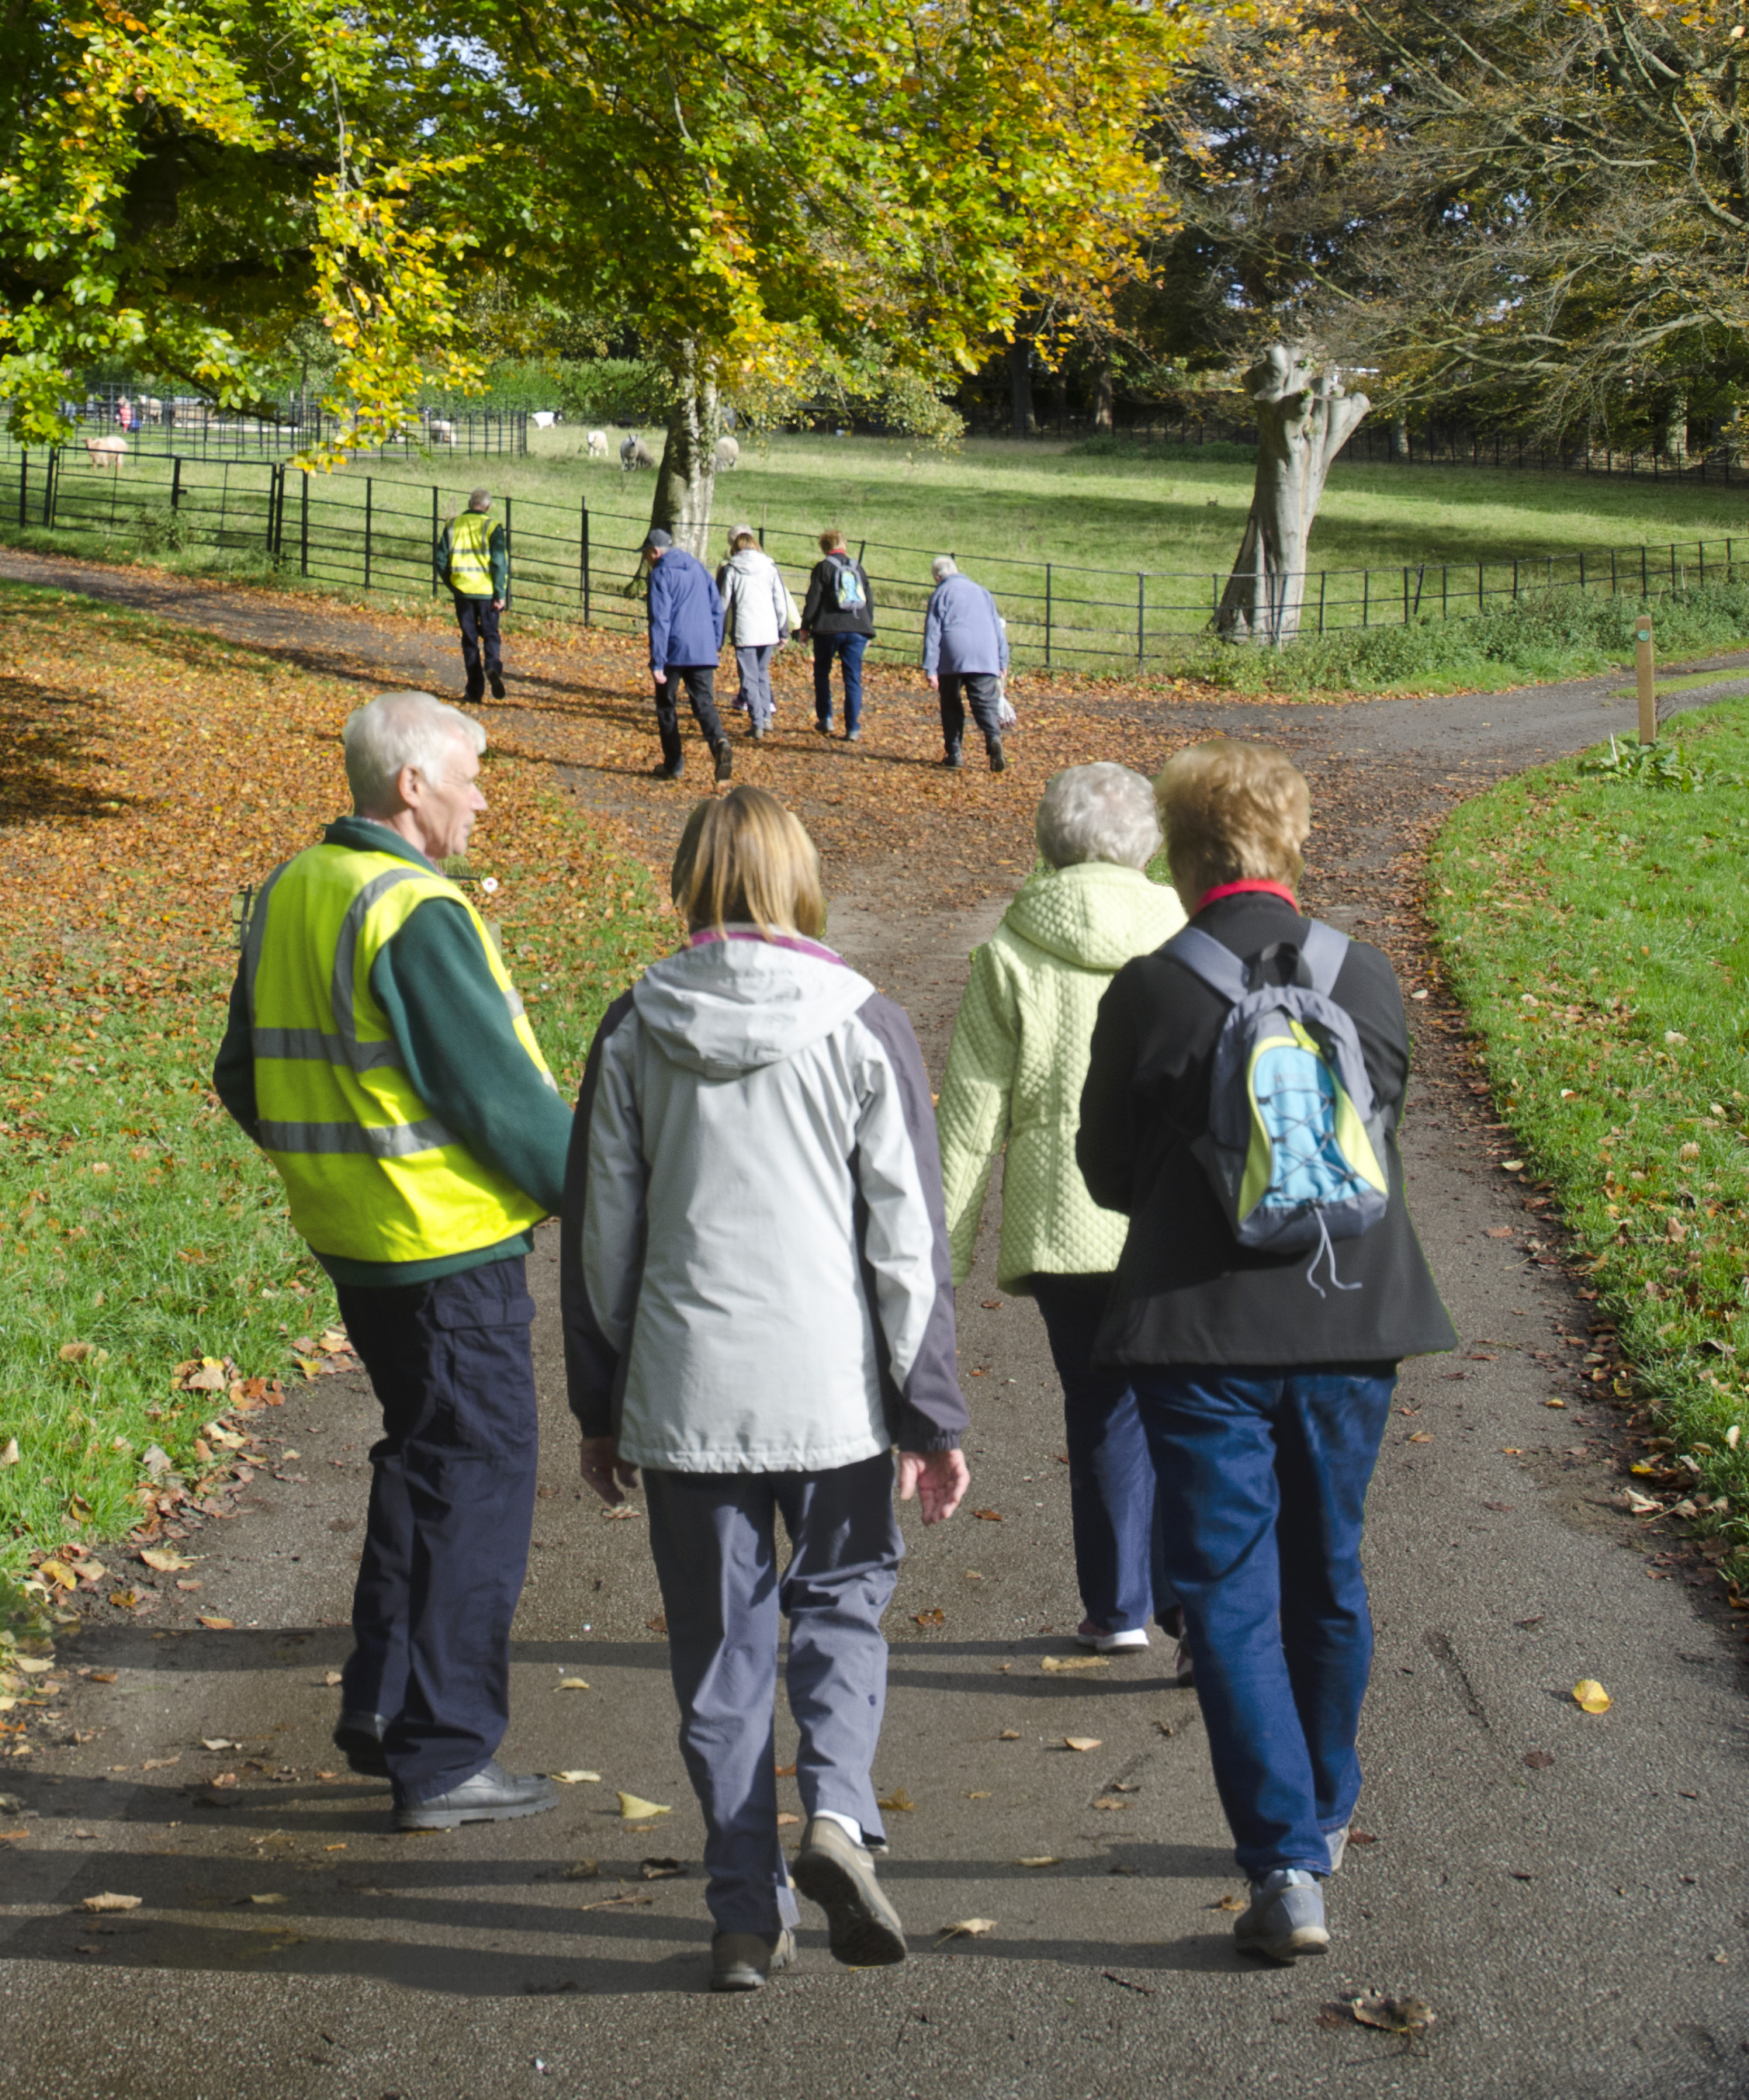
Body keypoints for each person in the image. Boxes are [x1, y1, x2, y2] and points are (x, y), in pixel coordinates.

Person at [563, 785, 969, 1993]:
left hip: (689, 1394)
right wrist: (929, 1407)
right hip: (831, 1389)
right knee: (841, 1604)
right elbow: (907, 1238)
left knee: (718, 1653)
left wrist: (601, 1404)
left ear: (690, 880)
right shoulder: (864, 1023)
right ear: (799, 878)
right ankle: (838, 1814)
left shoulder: (633, 1028)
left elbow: (601, 1239)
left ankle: (745, 1913)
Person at [1077, 737, 1456, 1967]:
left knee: (1231, 1594)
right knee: (1328, 1565)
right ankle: (1330, 1808)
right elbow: (1375, 1139)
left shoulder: (1151, 989)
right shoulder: (1373, 978)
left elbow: (1107, 1173)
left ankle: (1283, 1864)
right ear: (1291, 847)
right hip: (1355, 1318)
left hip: (1199, 1331)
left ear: (1185, 860)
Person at [213, 691, 575, 1829]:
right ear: (411, 786)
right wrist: (613, 1200)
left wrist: (334, 1166)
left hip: (358, 1240)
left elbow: (243, 1073)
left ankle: (384, 1706)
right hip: (444, 1244)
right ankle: (447, 1750)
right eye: (469, 774)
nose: (482, 796)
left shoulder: (294, 889)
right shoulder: (414, 910)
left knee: (422, 1465)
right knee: (476, 1482)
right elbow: (501, 1101)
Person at [937, 762, 1183, 1658]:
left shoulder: (1010, 949)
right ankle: (1197, 1608)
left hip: (1065, 1212)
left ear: (1049, 840)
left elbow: (969, 1115)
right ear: (1146, 843)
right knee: (1189, 1402)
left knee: (1100, 1401)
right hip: (1171, 1209)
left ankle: (1117, 1604)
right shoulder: (1187, 934)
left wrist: (942, 1253)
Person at [644, 525, 731, 781]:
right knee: (704, 702)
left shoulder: (661, 573)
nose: (646, 560)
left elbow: (660, 619)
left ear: (655, 552)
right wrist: (714, 642)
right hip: (702, 649)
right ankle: (719, 742)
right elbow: (718, 608)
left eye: (646, 555)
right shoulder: (698, 568)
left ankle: (674, 763)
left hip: (673, 650)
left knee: (666, 706)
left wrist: (658, 660)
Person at [922, 552, 1010, 771]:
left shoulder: (941, 593)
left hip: (953, 653)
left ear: (937, 577)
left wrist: (930, 667)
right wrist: (1002, 659)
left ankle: (955, 752)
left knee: (951, 701)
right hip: (985, 652)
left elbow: (933, 633)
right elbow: (997, 627)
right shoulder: (982, 591)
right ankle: (993, 737)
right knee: (984, 701)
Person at [434, 485, 511, 705]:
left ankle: (474, 692)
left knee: (469, 640)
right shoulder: (492, 526)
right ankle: (492, 667)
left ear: (470, 504)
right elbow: (498, 562)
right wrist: (500, 594)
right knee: (490, 635)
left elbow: (440, 561)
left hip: (463, 592)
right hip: (487, 593)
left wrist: (453, 584)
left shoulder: (451, 525)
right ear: (487, 506)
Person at [718, 525, 797, 737]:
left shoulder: (731, 569)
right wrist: (783, 630)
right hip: (768, 630)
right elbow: (780, 601)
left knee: (748, 677)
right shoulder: (770, 567)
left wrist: (718, 631)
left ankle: (757, 722)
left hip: (745, 629)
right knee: (762, 674)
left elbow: (722, 603)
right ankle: (766, 717)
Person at [796, 529, 874, 743]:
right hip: (858, 627)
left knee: (822, 672)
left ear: (825, 547)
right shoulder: (858, 567)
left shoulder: (823, 568)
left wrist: (805, 628)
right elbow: (869, 600)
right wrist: (868, 630)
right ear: (843, 544)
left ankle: (827, 718)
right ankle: (852, 728)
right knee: (853, 678)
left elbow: (813, 600)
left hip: (827, 628)